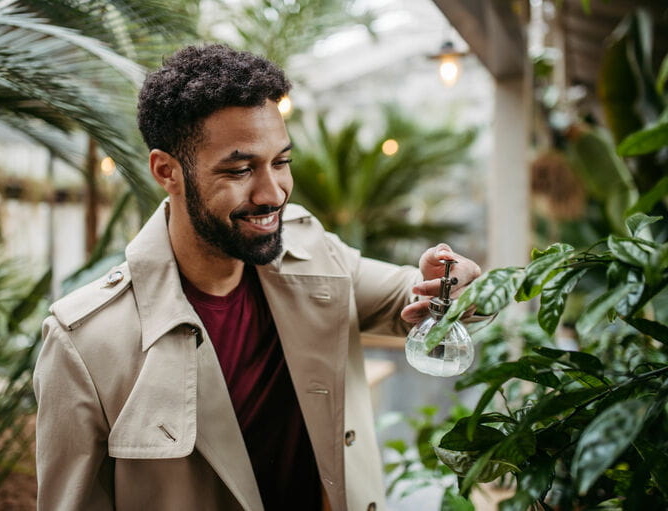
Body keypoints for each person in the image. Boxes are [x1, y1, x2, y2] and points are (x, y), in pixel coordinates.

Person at [33, 44, 481, 511]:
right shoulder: (85, 344)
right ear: (167, 171)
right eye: (240, 169)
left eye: (281, 162)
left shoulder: (315, 254)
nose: (273, 193)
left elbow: (418, 299)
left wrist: (457, 284)